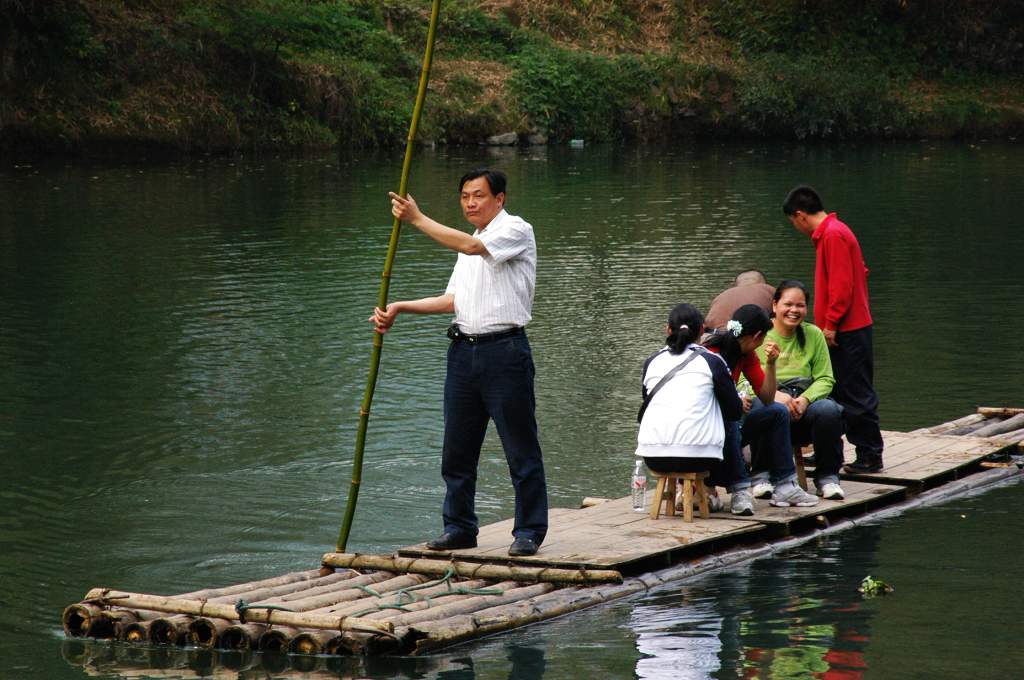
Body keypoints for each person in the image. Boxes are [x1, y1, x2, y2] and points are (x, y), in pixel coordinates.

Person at [371, 168, 547, 557]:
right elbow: (453, 300)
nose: (470, 202)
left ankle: (530, 530)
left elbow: (471, 248)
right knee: (457, 448)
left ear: (499, 199)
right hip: (463, 353)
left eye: (478, 195)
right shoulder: (472, 241)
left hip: (505, 352)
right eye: (465, 196)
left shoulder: (515, 230)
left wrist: (416, 219)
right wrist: (400, 306)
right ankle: (460, 527)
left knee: (519, 446)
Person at [783, 185, 884, 473]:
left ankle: (869, 455)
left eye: (793, 221)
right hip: (845, 326)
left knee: (855, 391)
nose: (796, 227)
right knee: (835, 390)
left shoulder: (833, 234)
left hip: (848, 328)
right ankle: (830, 450)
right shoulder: (834, 232)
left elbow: (842, 286)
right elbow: (860, 271)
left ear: (800, 215)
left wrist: (831, 324)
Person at [703, 304, 820, 509]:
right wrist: (732, 400)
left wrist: (772, 364)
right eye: (764, 337)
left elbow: (767, 398)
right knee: (730, 416)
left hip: (730, 428)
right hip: (707, 429)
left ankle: (785, 486)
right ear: (757, 336)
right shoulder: (710, 353)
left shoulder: (746, 356)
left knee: (777, 411)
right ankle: (740, 490)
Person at [636, 304, 744, 511]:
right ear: (702, 331)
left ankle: (693, 494)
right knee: (726, 420)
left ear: (668, 330)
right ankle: (735, 489)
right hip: (700, 459)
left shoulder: (652, 362)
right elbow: (734, 411)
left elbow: (646, 401)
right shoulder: (712, 361)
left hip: (652, 457)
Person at [755, 280, 846, 500]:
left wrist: (805, 399)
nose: (794, 310)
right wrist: (774, 395)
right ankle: (760, 476)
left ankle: (827, 478)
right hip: (770, 402)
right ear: (775, 305)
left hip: (803, 408)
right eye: (788, 304)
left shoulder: (814, 334)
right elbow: (742, 381)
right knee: (759, 407)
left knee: (829, 410)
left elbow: (825, 378)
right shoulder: (759, 335)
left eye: (800, 305)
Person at [704, 269, 776, 331]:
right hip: (742, 337)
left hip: (710, 336)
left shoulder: (721, 296)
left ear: (736, 285)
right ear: (764, 283)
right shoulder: (768, 290)